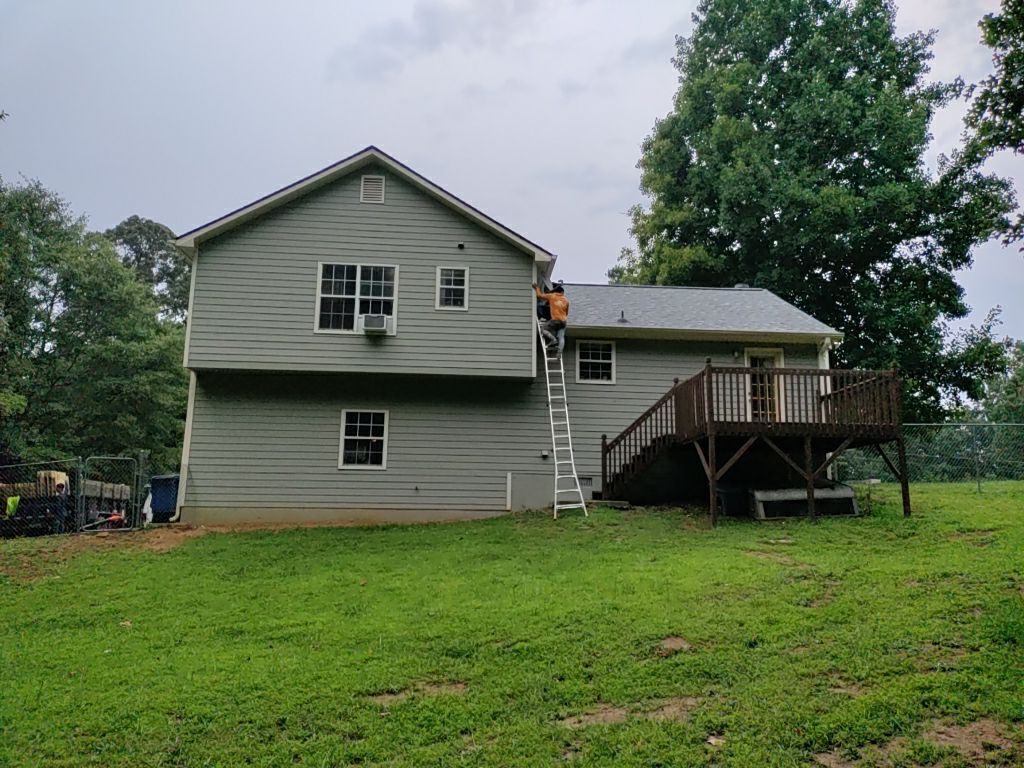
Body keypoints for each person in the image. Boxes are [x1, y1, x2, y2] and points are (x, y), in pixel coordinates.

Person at [533, 282, 569, 354]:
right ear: (562, 292)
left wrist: (536, 288)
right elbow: (566, 312)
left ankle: (553, 340)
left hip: (555, 320)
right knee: (561, 337)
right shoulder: (566, 300)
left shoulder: (552, 296)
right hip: (564, 321)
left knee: (543, 330)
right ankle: (559, 353)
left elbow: (539, 295)